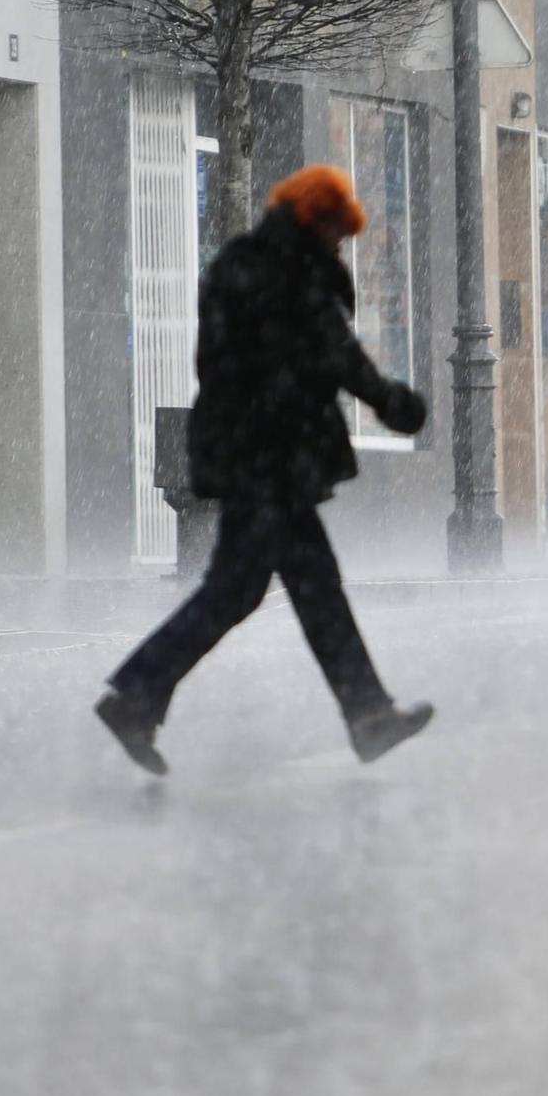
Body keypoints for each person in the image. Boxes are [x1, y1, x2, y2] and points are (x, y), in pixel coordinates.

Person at [95, 164, 433, 776]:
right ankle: (365, 716)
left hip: (246, 452)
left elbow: (220, 361)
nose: (338, 243)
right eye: (335, 230)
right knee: (287, 591)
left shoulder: (238, 263)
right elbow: (339, 357)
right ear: (315, 220)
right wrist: (394, 404)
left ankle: (138, 699)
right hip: (274, 459)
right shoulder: (295, 273)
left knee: (252, 591)